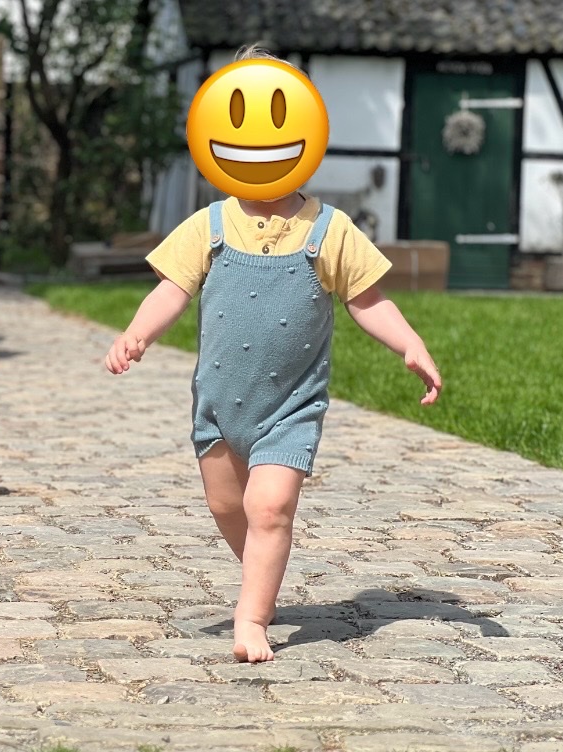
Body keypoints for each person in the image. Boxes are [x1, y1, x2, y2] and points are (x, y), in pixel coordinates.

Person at [104, 46, 442, 663]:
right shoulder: (208, 225)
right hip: (218, 405)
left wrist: (410, 343)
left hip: (290, 406)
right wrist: (137, 333)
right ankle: (263, 566)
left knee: (270, 506)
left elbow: (367, 299)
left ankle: (253, 617)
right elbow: (171, 289)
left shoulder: (329, 230)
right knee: (226, 505)